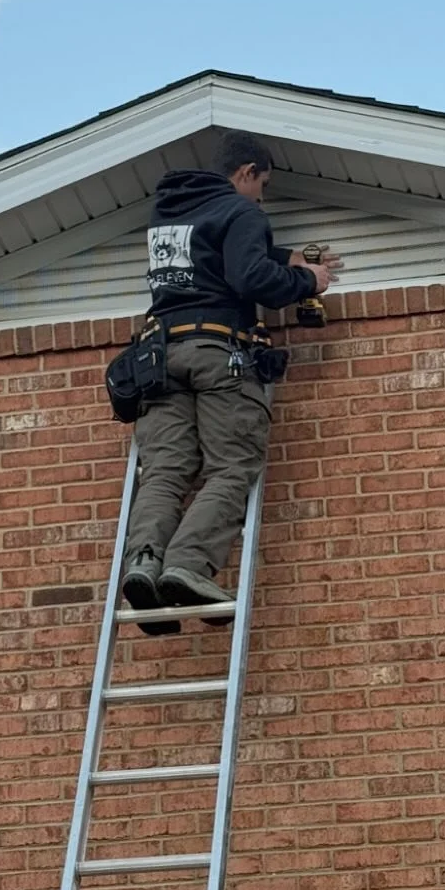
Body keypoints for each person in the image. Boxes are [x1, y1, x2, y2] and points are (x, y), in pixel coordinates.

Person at [120, 130, 340, 634]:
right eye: (262, 183)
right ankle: (188, 566)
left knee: (165, 473)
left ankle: (145, 562)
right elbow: (249, 280)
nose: (262, 195)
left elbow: (212, 255)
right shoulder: (244, 213)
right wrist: (310, 281)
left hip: (159, 357)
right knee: (231, 467)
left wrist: (283, 254)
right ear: (246, 173)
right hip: (218, 353)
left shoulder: (170, 214)